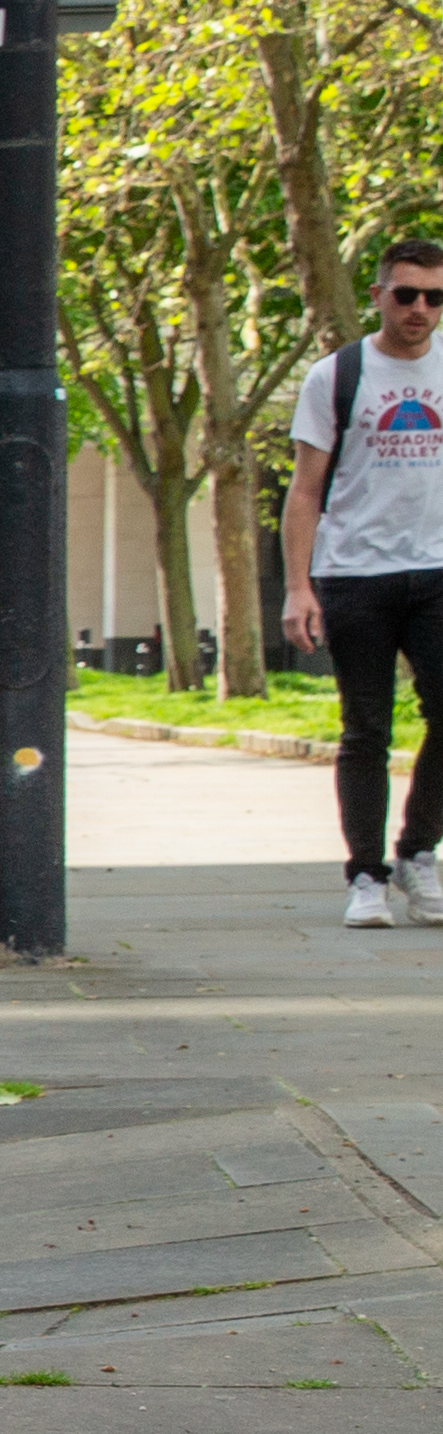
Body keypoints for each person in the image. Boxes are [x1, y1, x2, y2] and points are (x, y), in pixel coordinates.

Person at [284, 232, 443, 927]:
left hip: (438, 571)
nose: (419, 309)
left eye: (435, 297)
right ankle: (367, 877)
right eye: (406, 294)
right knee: (366, 730)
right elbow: (305, 490)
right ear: (378, 294)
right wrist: (298, 587)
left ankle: (417, 853)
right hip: (354, 574)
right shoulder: (336, 376)